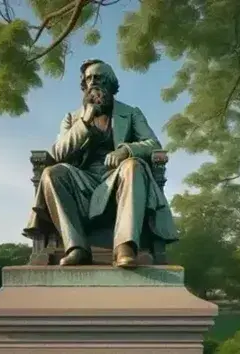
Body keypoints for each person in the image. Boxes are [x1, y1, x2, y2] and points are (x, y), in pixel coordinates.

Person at [24, 59, 178, 268]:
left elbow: (153, 144)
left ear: (111, 84)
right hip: (82, 181)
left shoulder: (131, 113)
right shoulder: (72, 118)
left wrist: (126, 151)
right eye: (89, 79)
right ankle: (77, 247)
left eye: (99, 77)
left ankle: (125, 246)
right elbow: (58, 153)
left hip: (117, 177)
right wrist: (85, 122)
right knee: (52, 173)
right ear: (84, 85)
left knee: (133, 166)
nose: (94, 82)